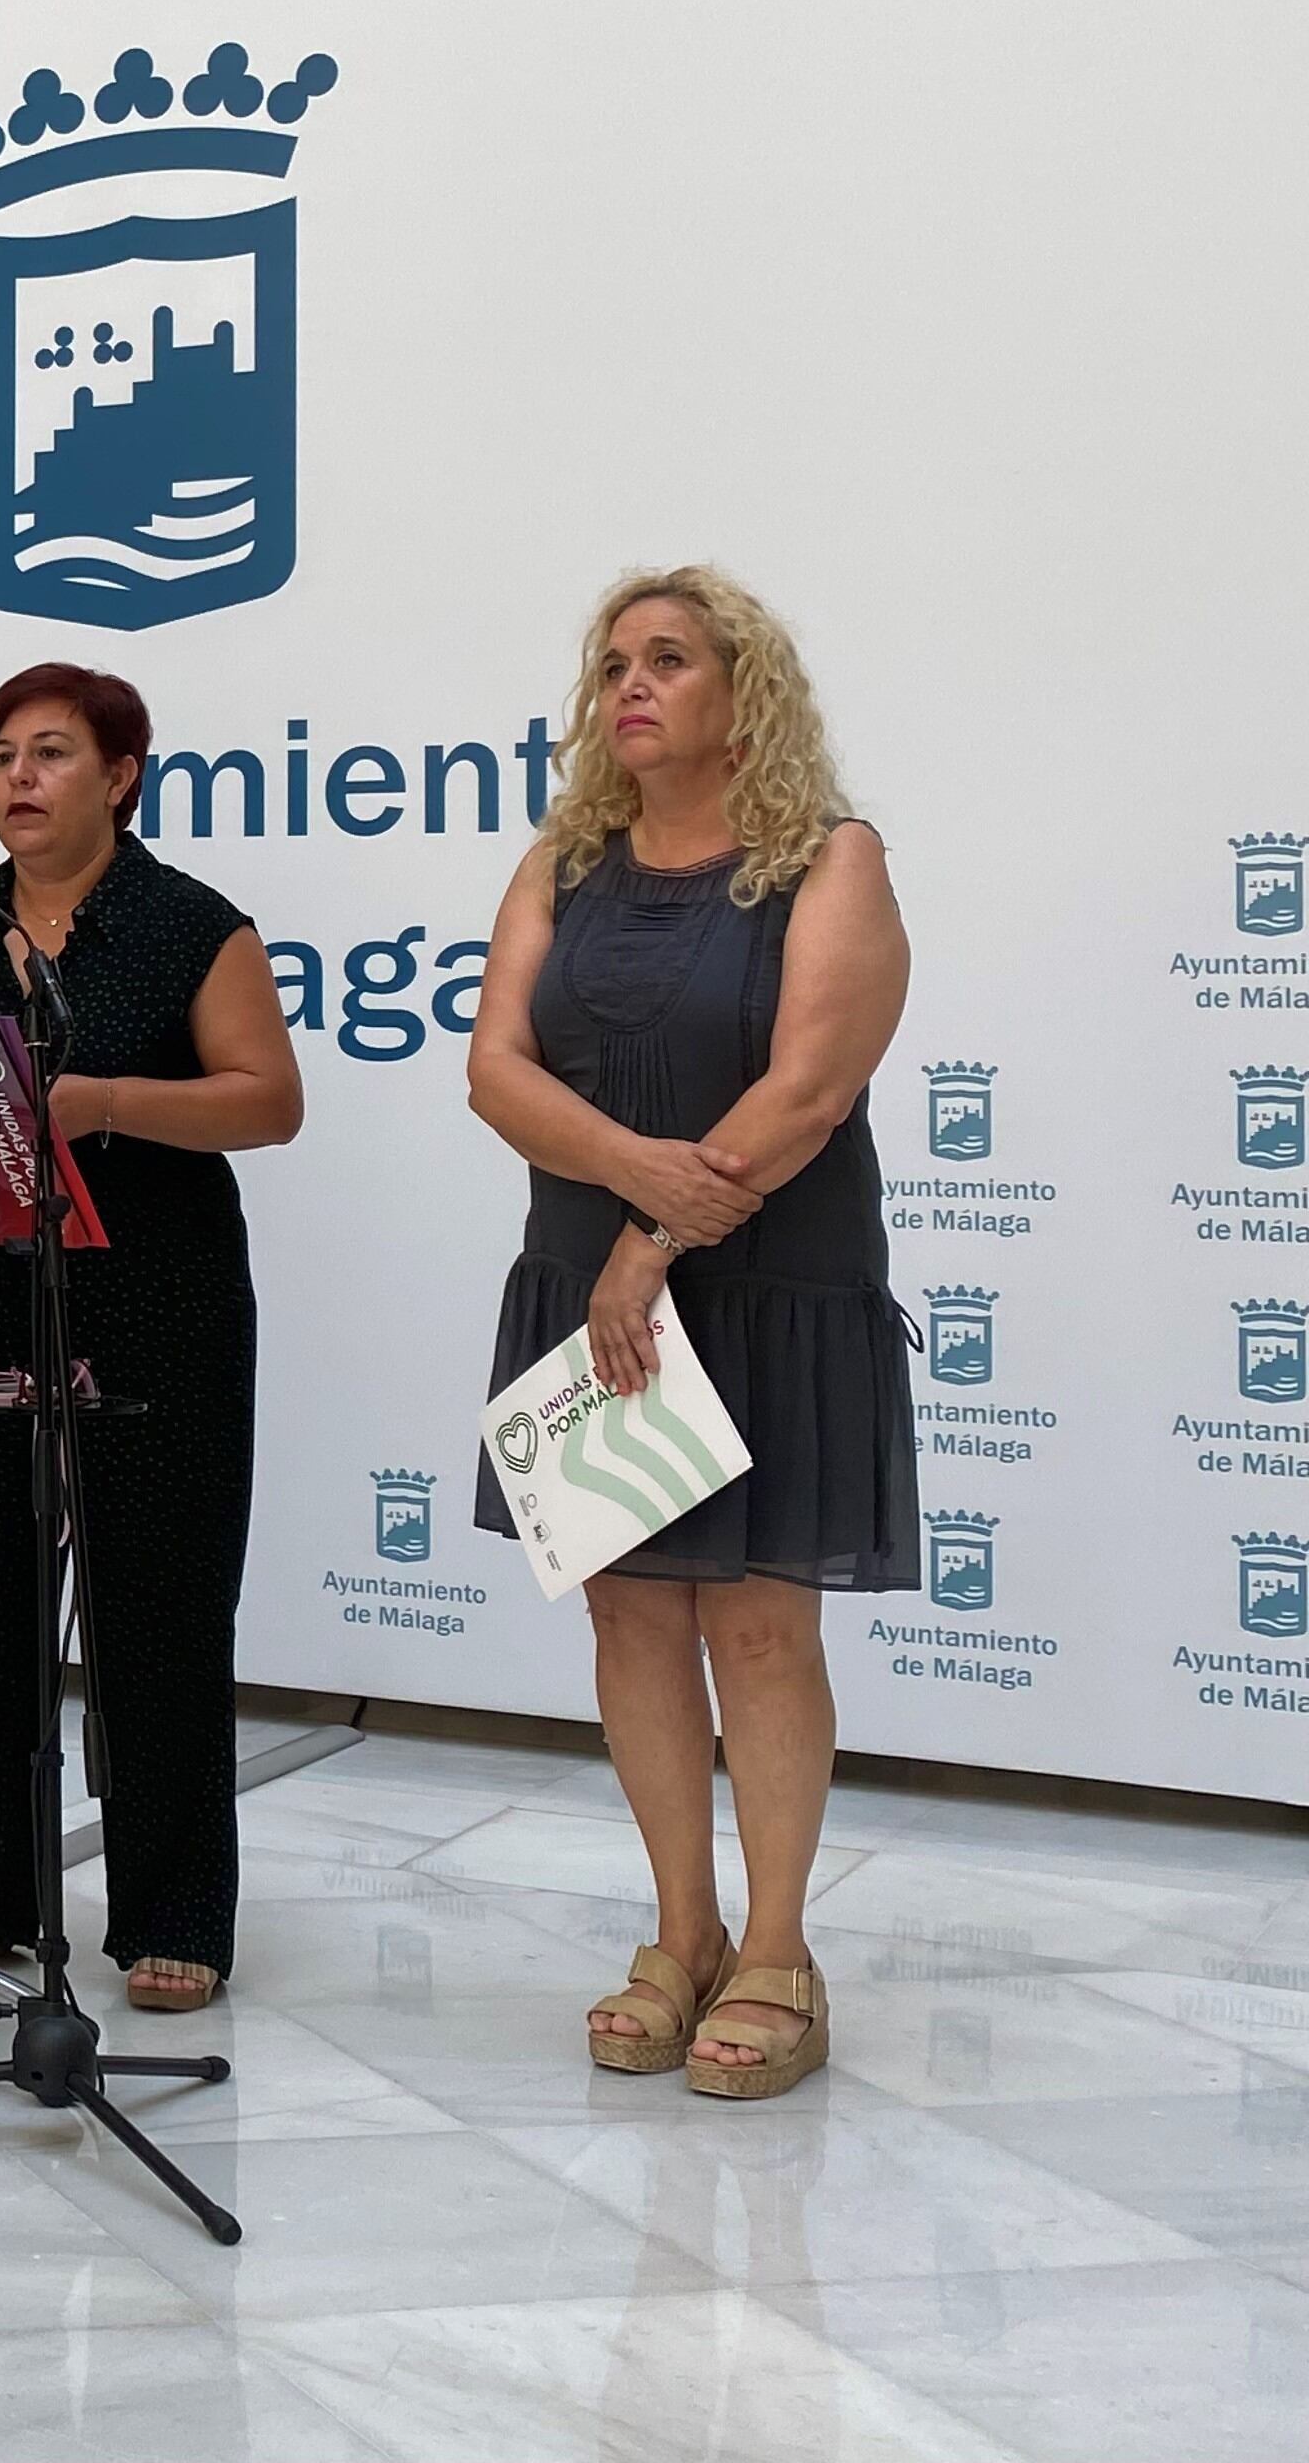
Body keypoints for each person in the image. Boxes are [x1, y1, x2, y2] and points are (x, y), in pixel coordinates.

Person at [466, 566, 912, 2100]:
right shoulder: (562, 865)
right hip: (590, 1278)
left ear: (743, 690)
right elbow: (496, 1070)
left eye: (666, 658)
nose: (629, 685)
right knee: (633, 1616)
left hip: (766, 1280)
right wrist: (627, 1186)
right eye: (611, 663)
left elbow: (810, 1090)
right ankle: (683, 1933)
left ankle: (781, 1947)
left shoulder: (829, 860)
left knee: (763, 1624)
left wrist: (654, 1234)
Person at [0, 663, 302, 2011]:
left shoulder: (188, 926)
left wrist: (104, 1098)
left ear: (120, 775)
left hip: (158, 1293)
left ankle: (173, 1909)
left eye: (50, 752)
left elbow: (268, 1101)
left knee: (160, 1607)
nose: (16, 776)